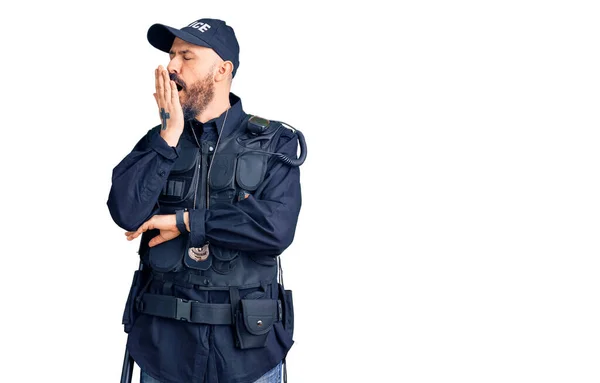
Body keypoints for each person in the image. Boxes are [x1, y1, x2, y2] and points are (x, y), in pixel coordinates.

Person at [107, 17, 305, 383]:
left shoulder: (275, 143)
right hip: (164, 351)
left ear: (222, 70)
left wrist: (184, 222)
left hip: (248, 355)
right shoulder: (159, 142)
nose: (172, 67)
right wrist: (168, 136)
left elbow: (275, 228)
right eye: (171, 56)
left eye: (186, 56)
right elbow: (125, 212)